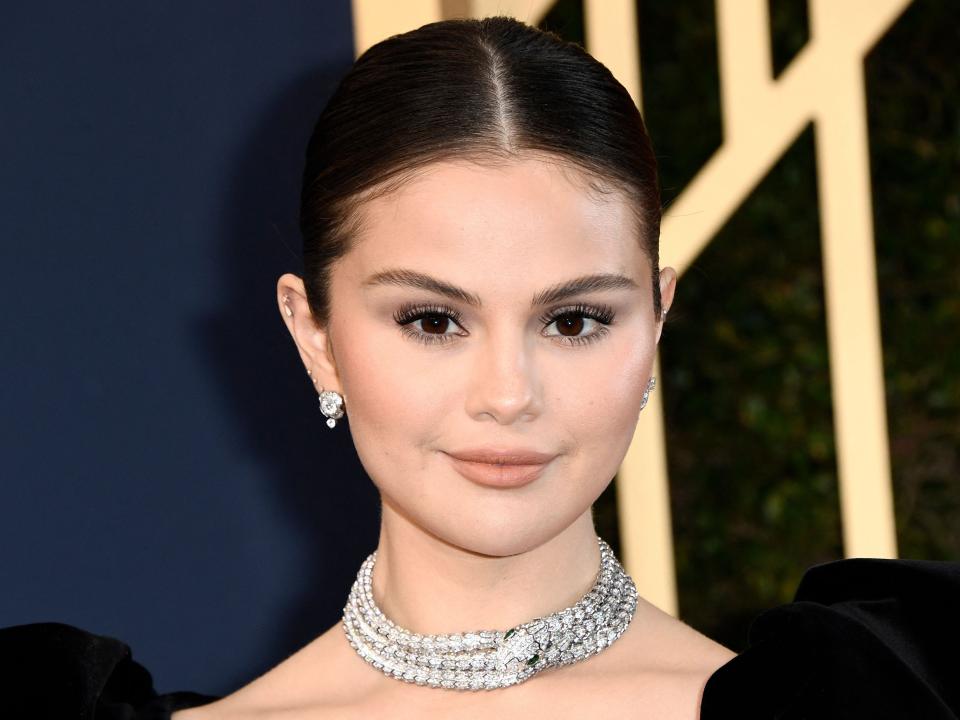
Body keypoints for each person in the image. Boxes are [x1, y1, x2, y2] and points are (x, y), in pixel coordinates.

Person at [3, 15, 958, 720]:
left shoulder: (871, 708)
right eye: (432, 319)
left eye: (575, 319)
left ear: (657, 320)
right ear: (315, 334)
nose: (509, 394)